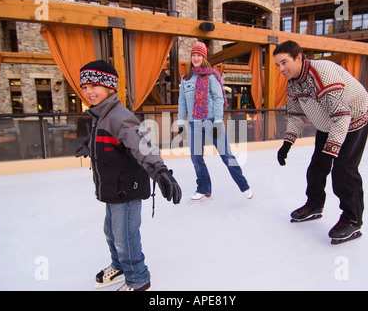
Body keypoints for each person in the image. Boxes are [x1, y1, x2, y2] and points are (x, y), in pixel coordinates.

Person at [76, 60, 182, 290]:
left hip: (126, 188)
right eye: (84, 87)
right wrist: (89, 147)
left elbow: (142, 145)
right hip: (113, 187)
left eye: (94, 85)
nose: (88, 92)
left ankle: (138, 278)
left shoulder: (119, 116)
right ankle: (120, 266)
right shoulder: (100, 115)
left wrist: (160, 171)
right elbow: (110, 143)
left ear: (111, 87)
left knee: (125, 237)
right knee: (112, 232)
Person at [273, 41, 368, 245]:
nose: (281, 69)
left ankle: (353, 219)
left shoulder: (322, 73)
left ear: (299, 57)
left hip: (353, 118)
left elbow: (342, 116)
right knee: (316, 168)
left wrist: (331, 152)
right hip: (329, 122)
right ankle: (315, 205)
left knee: (344, 171)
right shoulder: (293, 83)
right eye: (278, 65)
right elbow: (296, 115)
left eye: (284, 62)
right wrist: (287, 143)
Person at [177, 41, 252, 201]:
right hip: (194, 122)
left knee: (226, 155)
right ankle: (203, 188)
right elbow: (182, 101)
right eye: (194, 55)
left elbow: (218, 98)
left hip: (212, 121)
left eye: (199, 55)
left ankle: (243, 185)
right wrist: (180, 120)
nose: (196, 58)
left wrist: (218, 120)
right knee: (196, 158)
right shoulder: (186, 78)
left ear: (203, 57)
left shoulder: (211, 76)